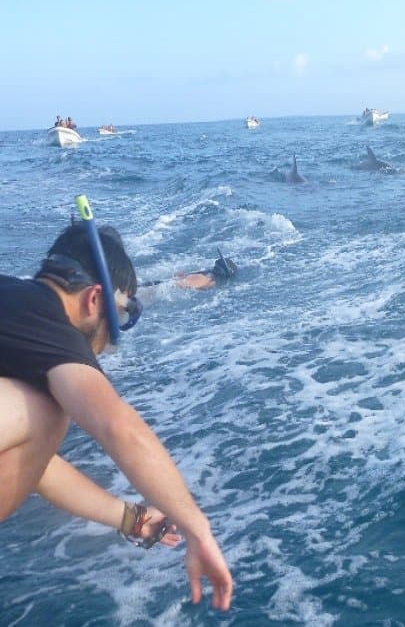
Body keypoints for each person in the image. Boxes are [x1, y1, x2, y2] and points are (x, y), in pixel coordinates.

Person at [0, 219, 233, 611]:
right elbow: (118, 426)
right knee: (48, 411)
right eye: (118, 319)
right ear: (94, 300)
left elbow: (33, 463)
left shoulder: (12, 300)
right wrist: (199, 529)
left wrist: (130, 517)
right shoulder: (56, 333)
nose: (107, 346)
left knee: (35, 417)